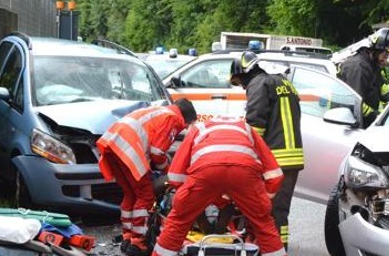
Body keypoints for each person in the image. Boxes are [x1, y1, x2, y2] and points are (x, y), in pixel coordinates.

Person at [151, 116, 287, 256]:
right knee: (264, 225)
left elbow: (175, 175)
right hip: (244, 173)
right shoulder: (247, 129)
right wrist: (261, 202)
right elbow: (275, 176)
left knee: (177, 222)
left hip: (206, 172)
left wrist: (185, 199)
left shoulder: (199, 128)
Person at [96, 99, 198, 256]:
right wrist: (168, 170)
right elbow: (157, 152)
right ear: (186, 118)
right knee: (145, 196)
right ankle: (138, 243)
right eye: (186, 126)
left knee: (131, 194)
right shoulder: (173, 118)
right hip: (129, 147)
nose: (182, 128)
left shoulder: (158, 110)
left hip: (113, 144)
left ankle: (127, 237)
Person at [229, 51, 303, 247]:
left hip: (274, 159)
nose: (241, 86)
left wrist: (242, 155)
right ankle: (278, 247)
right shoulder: (283, 83)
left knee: (268, 210)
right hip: (292, 158)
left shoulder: (258, 84)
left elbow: (255, 126)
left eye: (239, 82)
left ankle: (274, 250)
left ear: (244, 73)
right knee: (280, 210)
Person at [337, 28, 389, 126]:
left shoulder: (373, 65)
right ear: (376, 49)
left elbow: (383, 91)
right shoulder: (358, 67)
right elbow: (355, 101)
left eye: (388, 55)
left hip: (366, 124)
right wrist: (376, 116)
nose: (386, 58)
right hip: (352, 126)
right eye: (385, 54)